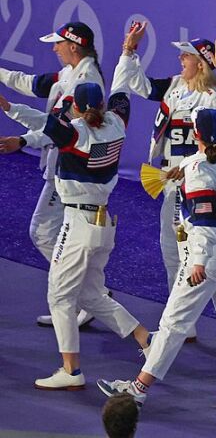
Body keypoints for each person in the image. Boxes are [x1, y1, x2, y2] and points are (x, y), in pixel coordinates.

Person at [98, 44, 216, 411]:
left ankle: (139, 388)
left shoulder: (199, 172)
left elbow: (203, 220)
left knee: (175, 319)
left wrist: (197, 263)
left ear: (197, 133)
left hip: (208, 251)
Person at [0, 80, 150, 389]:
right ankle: (145, 339)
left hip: (78, 223)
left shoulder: (76, 134)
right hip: (104, 222)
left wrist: (6, 106)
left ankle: (71, 371)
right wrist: (128, 53)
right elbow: (122, 95)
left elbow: (41, 121)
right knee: (90, 294)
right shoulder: (117, 124)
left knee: (59, 296)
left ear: (77, 108)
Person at [118, 22, 216, 341]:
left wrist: (191, 171)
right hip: (167, 180)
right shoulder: (175, 86)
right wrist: (129, 50)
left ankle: (181, 320)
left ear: (202, 63)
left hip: (191, 183)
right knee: (171, 249)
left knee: (183, 250)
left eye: (187, 56)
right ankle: (184, 321)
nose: (181, 60)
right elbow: (136, 84)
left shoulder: (212, 99)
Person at [0, 21, 104, 328]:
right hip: (61, 164)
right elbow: (32, 84)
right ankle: (89, 297)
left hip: (70, 168)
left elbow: (58, 129)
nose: (53, 48)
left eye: (57, 43)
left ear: (73, 46)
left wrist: (21, 138)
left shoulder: (85, 81)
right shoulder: (71, 73)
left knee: (42, 231)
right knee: (58, 234)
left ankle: (91, 296)